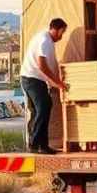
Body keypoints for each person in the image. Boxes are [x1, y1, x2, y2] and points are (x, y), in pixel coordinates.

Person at [20, 18, 67, 154]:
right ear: (55, 29)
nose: (61, 36)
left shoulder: (46, 40)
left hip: (32, 79)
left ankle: (39, 145)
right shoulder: (45, 40)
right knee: (44, 107)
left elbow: (49, 65)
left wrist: (54, 82)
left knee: (38, 111)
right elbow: (42, 65)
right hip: (32, 79)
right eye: (61, 32)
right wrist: (57, 83)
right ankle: (37, 144)